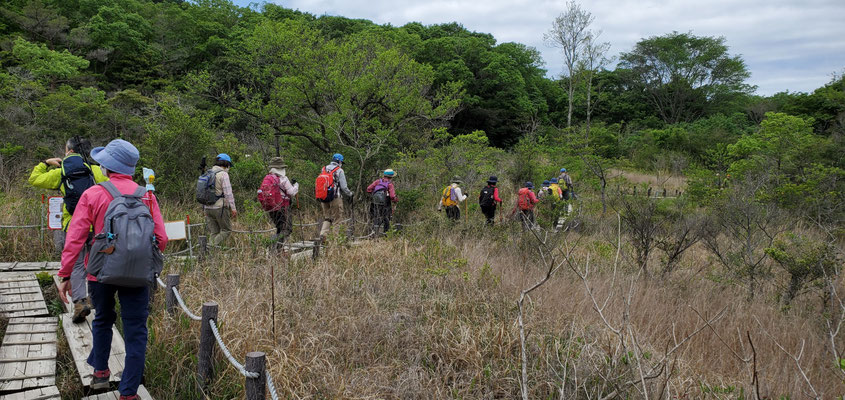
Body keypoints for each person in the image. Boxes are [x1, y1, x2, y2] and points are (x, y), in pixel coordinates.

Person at [57, 139, 168, 399]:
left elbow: (75, 237)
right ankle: (128, 392)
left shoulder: (93, 194)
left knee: (104, 320)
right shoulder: (148, 196)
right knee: (136, 330)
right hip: (139, 275)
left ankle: (100, 374)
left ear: (106, 166)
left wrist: (65, 274)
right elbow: (161, 238)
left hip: (99, 272)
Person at [28, 137, 108, 323]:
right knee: (97, 262)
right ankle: (97, 299)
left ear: (69, 150)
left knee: (78, 265)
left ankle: (80, 302)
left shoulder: (61, 172)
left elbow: (34, 179)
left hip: (73, 226)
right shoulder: (94, 170)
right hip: (96, 226)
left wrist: (44, 163)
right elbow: (114, 183)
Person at [258, 157, 299, 248]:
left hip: (272, 207)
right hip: (283, 206)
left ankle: (277, 249)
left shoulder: (268, 178)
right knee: (287, 229)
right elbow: (291, 192)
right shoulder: (283, 178)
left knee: (280, 228)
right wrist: (296, 186)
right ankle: (273, 241)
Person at [317, 153, 353, 241]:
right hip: (335, 197)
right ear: (339, 161)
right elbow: (344, 187)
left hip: (323, 197)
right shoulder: (339, 170)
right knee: (337, 219)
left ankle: (323, 235)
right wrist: (350, 194)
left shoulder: (323, 169)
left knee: (327, 217)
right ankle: (335, 240)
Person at [203, 154, 237, 247]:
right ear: (227, 164)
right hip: (220, 207)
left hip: (207, 207)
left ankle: (207, 254)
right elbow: (228, 193)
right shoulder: (223, 174)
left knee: (214, 232)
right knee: (226, 230)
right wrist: (233, 208)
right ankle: (210, 247)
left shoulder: (207, 173)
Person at [366, 169, 398, 235]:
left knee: (376, 218)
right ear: (391, 177)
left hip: (375, 203)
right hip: (386, 204)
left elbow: (368, 189)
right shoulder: (390, 184)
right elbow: (392, 196)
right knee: (386, 219)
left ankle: (374, 233)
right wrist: (396, 200)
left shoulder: (377, 182)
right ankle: (386, 234)